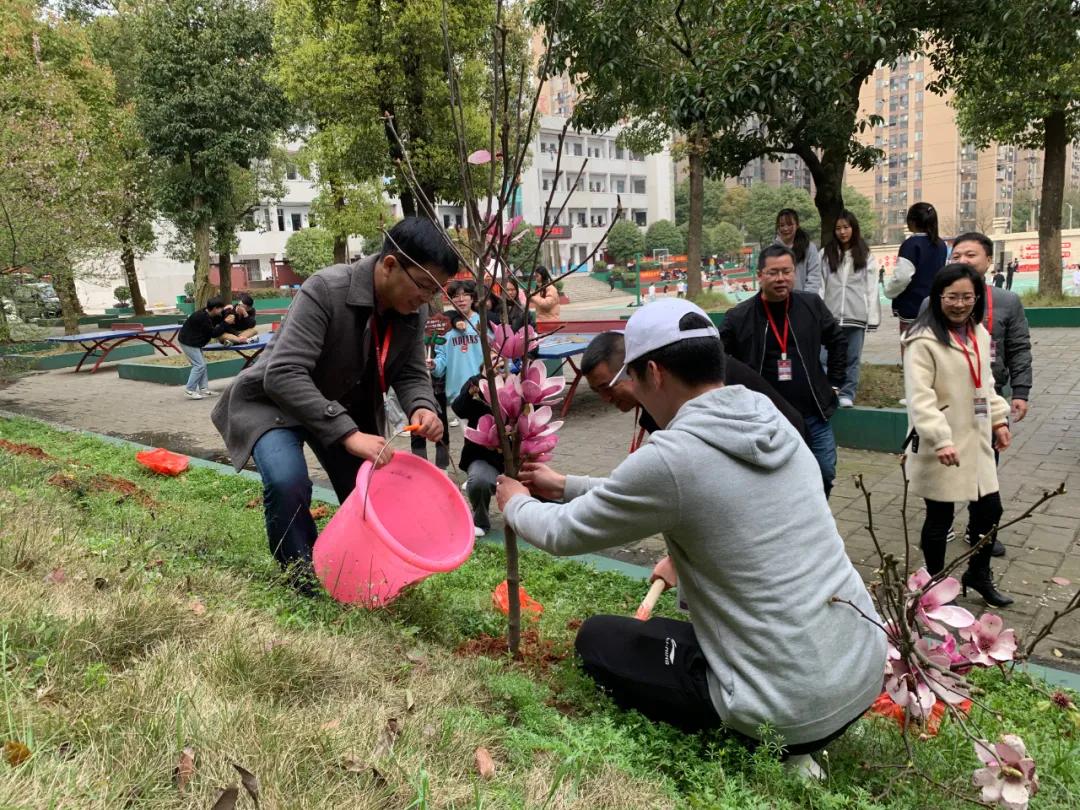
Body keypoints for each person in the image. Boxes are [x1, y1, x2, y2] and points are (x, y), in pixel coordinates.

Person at [494, 299, 886, 775]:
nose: (631, 391)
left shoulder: (674, 457)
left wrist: (515, 503)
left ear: (654, 373)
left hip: (787, 707)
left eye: (632, 379)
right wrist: (566, 485)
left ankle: (785, 750)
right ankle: (808, 718)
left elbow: (563, 531)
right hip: (861, 667)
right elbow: (661, 494)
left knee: (598, 639)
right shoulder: (763, 415)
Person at [211, 217, 454, 582]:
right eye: (423, 285)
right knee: (287, 481)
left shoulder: (413, 310)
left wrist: (422, 405)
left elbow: (410, 370)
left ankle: (369, 572)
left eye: (437, 290)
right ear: (390, 265)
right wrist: (349, 435)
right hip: (275, 402)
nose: (427, 298)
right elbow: (284, 374)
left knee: (373, 488)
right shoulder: (325, 289)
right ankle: (302, 579)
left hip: (341, 407)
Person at [903, 263, 1013, 607]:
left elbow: (987, 384)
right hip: (943, 444)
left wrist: (998, 420)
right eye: (952, 297)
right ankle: (934, 584)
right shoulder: (922, 341)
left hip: (977, 439)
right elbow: (921, 399)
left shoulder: (978, 333)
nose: (960, 304)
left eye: (967, 296)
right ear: (938, 298)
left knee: (990, 510)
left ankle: (977, 573)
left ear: (977, 297)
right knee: (940, 517)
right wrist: (941, 439)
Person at [720, 245, 846, 497]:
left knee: (825, 471)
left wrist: (835, 383)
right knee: (773, 480)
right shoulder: (739, 317)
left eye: (786, 271)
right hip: (766, 419)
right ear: (760, 275)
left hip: (813, 412)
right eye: (773, 272)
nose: (781, 279)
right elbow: (718, 360)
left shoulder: (811, 305)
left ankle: (815, 522)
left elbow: (838, 340)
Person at [580, 330, 808, 449]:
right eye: (596, 391)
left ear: (631, 369)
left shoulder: (694, 386)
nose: (605, 398)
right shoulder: (657, 401)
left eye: (607, 387)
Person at [820, 209, 881, 408]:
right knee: (824, 357)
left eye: (846, 227)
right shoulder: (826, 253)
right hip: (830, 316)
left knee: (852, 357)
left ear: (854, 228)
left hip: (856, 315)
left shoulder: (865, 254)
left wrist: (872, 318)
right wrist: (819, 314)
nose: (842, 232)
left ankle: (847, 393)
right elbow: (821, 285)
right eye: (838, 228)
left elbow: (871, 287)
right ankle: (825, 391)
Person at [884, 202, 949, 351]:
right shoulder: (941, 245)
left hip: (912, 307)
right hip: (934, 306)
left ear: (911, 222)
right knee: (932, 351)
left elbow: (902, 277)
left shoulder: (911, 245)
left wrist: (889, 292)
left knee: (911, 352)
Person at [452, 369, 503, 537]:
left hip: (516, 456)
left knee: (538, 480)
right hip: (485, 458)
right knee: (479, 481)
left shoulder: (516, 387)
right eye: (494, 363)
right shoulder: (476, 393)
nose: (498, 367)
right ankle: (480, 521)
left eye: (503, 364)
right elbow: (458, 408)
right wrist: (469, 391)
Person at [178, 296, 231, 400]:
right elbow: (213, 334)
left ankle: (204, 389)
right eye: (221, 308)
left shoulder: (208, 313)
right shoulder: (202, 317)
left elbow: (219, 318)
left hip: (194, 342)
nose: (221, 311)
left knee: (202, 365)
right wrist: (226, 323)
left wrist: (226, 311)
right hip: (188, 342)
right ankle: (189, 390)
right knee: (199, 365)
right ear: (215, 308)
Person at [773, 208, 822, 294]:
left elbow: (814, 277)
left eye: (789, 224)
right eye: (782, 225)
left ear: (797, 225)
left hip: (803, 301)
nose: (785, 228)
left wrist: (805, 301)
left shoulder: (809, 248)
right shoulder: (772, 250)